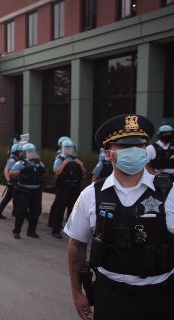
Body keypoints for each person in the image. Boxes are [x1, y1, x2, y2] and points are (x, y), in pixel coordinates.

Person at [65, 114, 174, 320]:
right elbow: (76, 246)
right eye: (124, 146)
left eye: (140, 145)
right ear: (108, 154)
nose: (134, 151)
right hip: (111, 299)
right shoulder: (91, 195)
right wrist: (77, 292)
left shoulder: (169, 193)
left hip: (161, 299)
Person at [51, 138, 87, 239]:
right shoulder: (60, 158)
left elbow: (84, 176)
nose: (68, 150)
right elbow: (56, 172)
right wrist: (64, 163)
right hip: (63, 188)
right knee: (60, 209)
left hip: (74, 188)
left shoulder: (76, 160)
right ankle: (56, 230)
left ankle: (70, 230)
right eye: (66, 148)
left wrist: (81, 165)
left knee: (72, 210)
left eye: (70, 148)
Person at [9, 143, 46, 239]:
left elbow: (44, 174)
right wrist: (22, 171)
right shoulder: (21, 163)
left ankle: (31, 231)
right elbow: (11, 173)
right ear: (25, 153)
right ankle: (16, 231)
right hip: (23, 191)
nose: (32, 154)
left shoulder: (39, 163)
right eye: (29, 152)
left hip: (36, 191)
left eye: (33, 152)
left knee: (35, 212)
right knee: (21, 212)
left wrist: (42, 171)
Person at [0, 143, 24, 219]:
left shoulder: (18, 159)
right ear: (16, 152)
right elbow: (6, 170)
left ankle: (0, 212)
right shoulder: (12, 160)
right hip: (13, 182)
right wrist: (8, 181)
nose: (22, 153)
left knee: (11, 198)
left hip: (15, 182)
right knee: (11, 198)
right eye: (20, 151)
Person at [47, 135, 72, 228]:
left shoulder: (70, 155)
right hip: (60, 182)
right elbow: (56, 169)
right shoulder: (60, 155)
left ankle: (52, 220)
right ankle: (52, 221)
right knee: (58, 204)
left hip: (67, 183)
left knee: (57, 203)